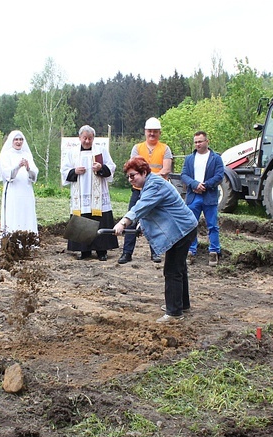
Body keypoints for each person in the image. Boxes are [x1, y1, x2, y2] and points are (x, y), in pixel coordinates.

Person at [113, 157, 197, 323]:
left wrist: (123, 222)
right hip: (185, 228)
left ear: (144, 172)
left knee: (172, 270)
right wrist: (139, 227)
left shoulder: (155, 184)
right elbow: (150, 210)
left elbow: (141, 207)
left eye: (133, 175)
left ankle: (174, 313)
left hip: (183, 230)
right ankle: (182, 304)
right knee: (179, 268)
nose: (130, 180)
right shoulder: (149, 184)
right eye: (128, 177)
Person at [119, 117, 173, 265]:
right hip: (138, 191)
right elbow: (132, 168)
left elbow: (166, 169)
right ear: (145, 132)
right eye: (150, 131)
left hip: (157, 193)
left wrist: (147, 178)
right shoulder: (137, 148)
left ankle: (155, 252)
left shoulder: (165, 149)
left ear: (159, 133)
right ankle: (127, 253)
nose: (152, 134)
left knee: (155, 222)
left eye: (155, 131)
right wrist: (148, 177)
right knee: (131, 219)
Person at [61, 125, 118, 261]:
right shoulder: (72, 152)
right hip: (80, 194)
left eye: (90, 138)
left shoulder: (101, 151)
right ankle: (83, 250)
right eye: (84, 138)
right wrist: (74, 171)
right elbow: (64, 170)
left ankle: (101, 250)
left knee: (100, 219)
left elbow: (111, 167)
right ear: (80, 138)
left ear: (94, 138)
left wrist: (101, 167)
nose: (87, 141)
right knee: (82, 217)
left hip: (97, 193)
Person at [180, 131, 226, 266]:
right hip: (193, 197)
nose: (197, 144)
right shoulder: (189, 158)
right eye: (196, 142)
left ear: (207, 141)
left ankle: (214, 252)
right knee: (191, 224)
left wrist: (205, 186)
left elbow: (219, 175)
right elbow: (184, 175)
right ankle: (191, 250)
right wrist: (194, 184)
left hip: (209, 196)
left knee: (212, 225)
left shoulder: (216, 158)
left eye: (200, 141)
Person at [0, 130, 38, 241]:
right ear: (12, 141)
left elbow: (34, 174)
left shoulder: (27, 154)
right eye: (16, 139)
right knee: (14, 214)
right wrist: (18, 166)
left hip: (26, 191)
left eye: (21, 139)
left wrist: (28, 168)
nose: (19, 142)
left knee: (26, 214)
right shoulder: (6, 155)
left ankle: (28, 241)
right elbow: (7, 174)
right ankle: (12, 242)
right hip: (13, 191)